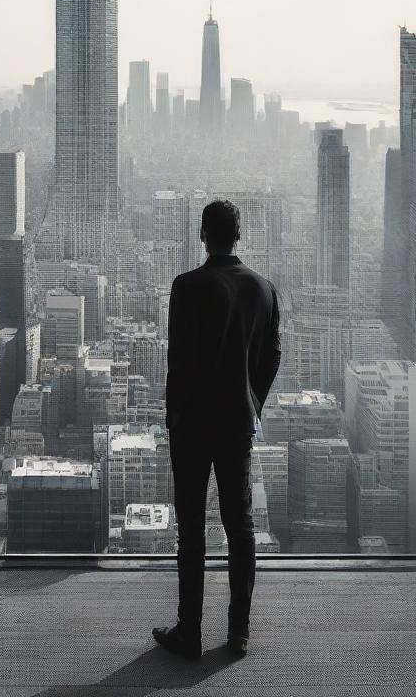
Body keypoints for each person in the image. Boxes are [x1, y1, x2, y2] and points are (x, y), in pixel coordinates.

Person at [152, 199, 281, 660]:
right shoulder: (264, 290)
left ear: (203, 234)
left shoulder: (187, 286)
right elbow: (272, 356)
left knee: (192, 527)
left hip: (192, 423)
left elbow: (178, 359)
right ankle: (238, 632)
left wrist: (176, 415)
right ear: (238, 236)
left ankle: (190, 632)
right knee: (239, 525)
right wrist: (252, 401)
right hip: (236, 423)